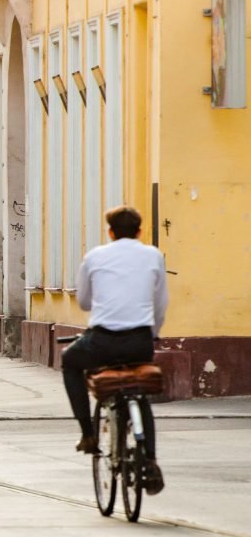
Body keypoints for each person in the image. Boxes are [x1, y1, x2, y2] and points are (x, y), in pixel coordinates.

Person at [61, 205, 167, 495]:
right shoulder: (153, 255)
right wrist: (152, 335)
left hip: (102, 341)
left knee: (69, 361)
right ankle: (150, 460)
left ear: (110, 232)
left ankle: (87, 434)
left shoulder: (95, 256)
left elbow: (83, 302)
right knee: (139, 393)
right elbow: (160, 303)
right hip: (140, 341)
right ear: (139, 231)